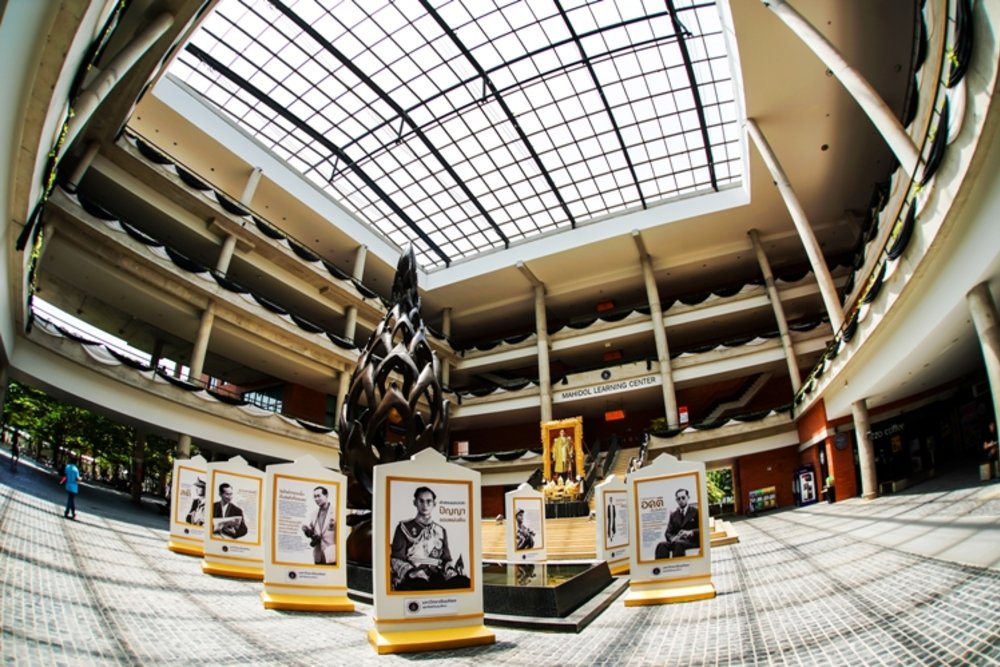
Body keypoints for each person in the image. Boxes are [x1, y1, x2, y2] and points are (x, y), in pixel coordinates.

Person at [390, 486, 469, 591]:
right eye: (421, 501)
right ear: (415, 503)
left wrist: (449, 569)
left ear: (434, 504)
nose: (425, 505)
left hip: (437, 576)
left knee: (465, 582)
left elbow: (446, 559)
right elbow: (396, 559)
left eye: (429, 501)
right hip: (415, 577)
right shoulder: (404, 528)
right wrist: (411, 572)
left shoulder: (441, 530)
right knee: (422, 586)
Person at [655, 488, 699, 559]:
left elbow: (702, 529)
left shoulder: (696, 512)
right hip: (676, 541)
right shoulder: (674, 515)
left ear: (688, 497)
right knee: (661, 545)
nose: (681, 500)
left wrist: (690, 532)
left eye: (683, 497)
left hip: (691, 541)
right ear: (676, 500)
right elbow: (668, 533)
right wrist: (673, 538)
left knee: (678, 544)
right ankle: (661, 568)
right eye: (678, 499)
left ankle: (678, 568)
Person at [301, 485, 336, 565]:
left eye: (318, 496)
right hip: (318, 556)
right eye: (314, 497)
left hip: (332, 555)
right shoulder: (314, 514)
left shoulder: (336, 513)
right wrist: (307, 531)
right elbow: (312, 532)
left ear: (326, 495)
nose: (316, 499)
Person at [60, 455, 81, 519]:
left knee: (71, 499)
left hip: (68, 484)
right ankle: (67, 512)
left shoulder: (67, 467)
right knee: (71, 500)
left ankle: (73, 513)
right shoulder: (76, 469)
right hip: (74, 486)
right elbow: (77, 478)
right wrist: (80, 479)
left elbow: (65, 475)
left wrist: (62, 481)